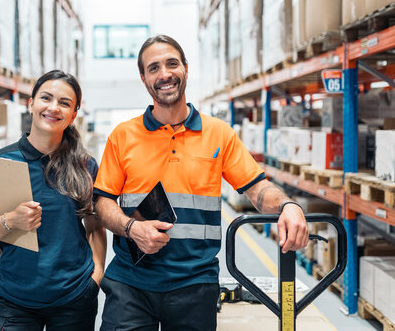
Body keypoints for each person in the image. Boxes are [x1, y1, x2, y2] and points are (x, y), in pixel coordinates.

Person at [93, 35, 309, 331]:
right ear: (143, 78)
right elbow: (102, 201)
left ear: (185, 68)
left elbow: (257, 188)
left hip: (195, 284)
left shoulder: (219, 134)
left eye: (172, 64)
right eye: (154, 68)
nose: (165, 74)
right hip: (131, 282)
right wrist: (132, 228)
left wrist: (288, 205)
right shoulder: (123, 136)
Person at [0, 70, 106, 331]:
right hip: (15, 300)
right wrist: (10, 220)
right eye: (46, 98)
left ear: (73, 115)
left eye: (64, 103)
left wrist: (95, 278)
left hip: (74, 298)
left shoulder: (85, 166)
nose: (53, 108)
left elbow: (95, 226)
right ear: (30, 104)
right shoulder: (1, 162)